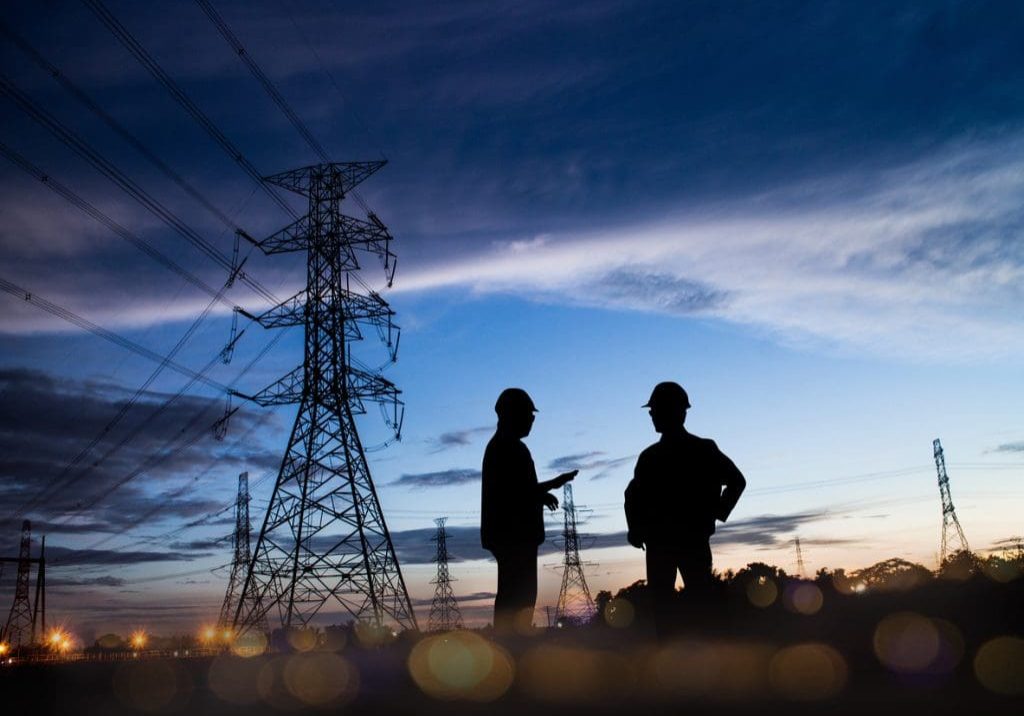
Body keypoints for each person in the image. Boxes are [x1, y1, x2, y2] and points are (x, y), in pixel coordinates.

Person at [624, 381, 746, 634]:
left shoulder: (675, 453)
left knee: (677, 608)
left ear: (677, 411)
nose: (652, 416)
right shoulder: (666, 454)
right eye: (652, 411)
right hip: (675, 542)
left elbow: (737, 481)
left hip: (675, 543)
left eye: (656, 410)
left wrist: (636, 529)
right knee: (688, 607)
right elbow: (633, 495)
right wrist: (717, 511)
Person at [481, 388, 577, 634]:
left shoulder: (505, 447)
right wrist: (551, 485)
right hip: (514, 537)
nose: (532, 420)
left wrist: (540, 493)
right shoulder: (507, 448)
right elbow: (514, 492)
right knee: (518, 598)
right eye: (528, 414)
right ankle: (512, 649)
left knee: (516, 597)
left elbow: (517, 490)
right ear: (510, 414)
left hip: (512, 536)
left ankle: (511, 647)